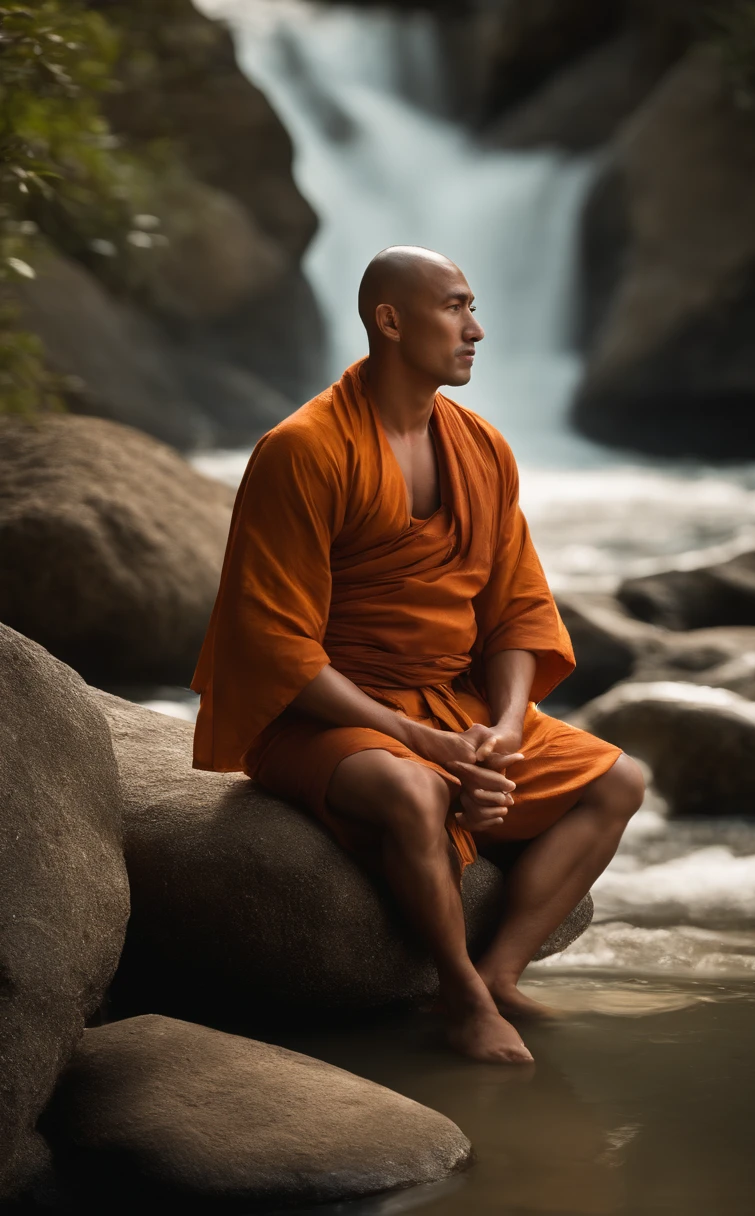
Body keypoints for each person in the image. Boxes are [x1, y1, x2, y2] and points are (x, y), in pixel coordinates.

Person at [191, 245, 644, 1065]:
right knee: (411, 791)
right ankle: (460, 998)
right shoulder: (304, 450)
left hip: (452, 704)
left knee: (618, 780)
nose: (478, 329)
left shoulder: (483, 449)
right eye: (455, 308)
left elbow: (517, 613)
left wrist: (504, 727)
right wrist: (420, 742)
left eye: (473, 308)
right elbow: (274, 647)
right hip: (322, 717)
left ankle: (498, 974)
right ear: (389, 321)